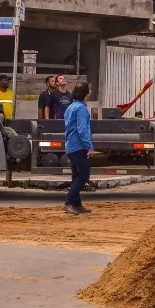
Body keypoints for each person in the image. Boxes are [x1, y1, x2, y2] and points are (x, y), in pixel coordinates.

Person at [63, 83, 94, 215]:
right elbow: (82, 130)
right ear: (85, 94)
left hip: (71, 145)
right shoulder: (81, 108)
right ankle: (69, 202)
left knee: (76, 176)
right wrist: (89, 146)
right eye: (89, 91)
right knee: (83, 176)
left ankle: (77, 204)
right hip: (79, 146)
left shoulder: (71, 107)